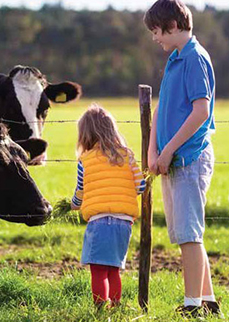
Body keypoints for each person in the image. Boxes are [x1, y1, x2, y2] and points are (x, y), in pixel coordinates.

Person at [144, 0, 222, 318]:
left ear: (173, 26)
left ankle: (192, 307)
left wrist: (169, 150)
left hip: (189, 157)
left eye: (156, 31)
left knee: (190, 234)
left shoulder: (195, 58)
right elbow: (162, 107)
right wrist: (153, 151)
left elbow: (201, 111)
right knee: (186, 233)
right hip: (172, 159)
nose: (154, 38)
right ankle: (208, 300)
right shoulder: (176, 58)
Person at [71, 104, 146, 308]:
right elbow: (141, 185)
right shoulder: (127, 155)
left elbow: (81, 191)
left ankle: (99, 308)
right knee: (113, 269)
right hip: (124, 223)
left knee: (98, 270)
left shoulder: (84, 161)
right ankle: (116, 304)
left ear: (84, 135)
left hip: (99, 222)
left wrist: (73, 205)